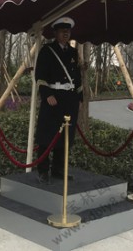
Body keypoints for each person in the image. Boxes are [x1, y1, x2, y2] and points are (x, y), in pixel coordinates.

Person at [35, 16, 83, 183]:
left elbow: (77, 77)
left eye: (68, 31)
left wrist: (79, 98)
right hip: (53, 98)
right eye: (62, 31)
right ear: (55, 33)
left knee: (65, 137)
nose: (66, 34)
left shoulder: (73, 52)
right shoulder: (47, 50)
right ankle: (42, 170)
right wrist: (47, 94)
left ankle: (58, 169)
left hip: (69, 100)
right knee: (47, 135)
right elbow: (40, 76)